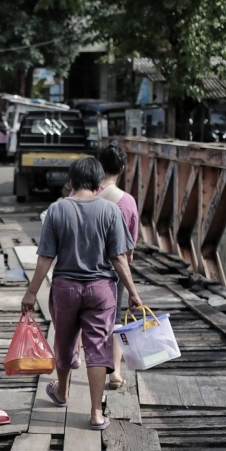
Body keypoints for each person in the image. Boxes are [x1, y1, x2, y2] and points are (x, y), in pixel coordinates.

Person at [21, 156, 143, 430]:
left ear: (72, 182)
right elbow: (120, 258)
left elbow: (45, 257)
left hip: (65, 287)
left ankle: (62, 392)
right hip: (101, 290)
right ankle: (96, 412)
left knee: (65, 342)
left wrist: (31, 293)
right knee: (98, 348)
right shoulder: (111, 211)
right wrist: (133, 293)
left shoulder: (56, 209)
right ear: (99, 183)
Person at [97, 141, 140, 388]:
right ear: (122, 168)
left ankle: (78, 360)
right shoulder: (128, 201)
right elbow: (129, 248)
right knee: (114, 319)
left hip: (82, 268)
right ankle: (115, 372)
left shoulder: (80, 195)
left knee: (84, 316)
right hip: (114, 271)